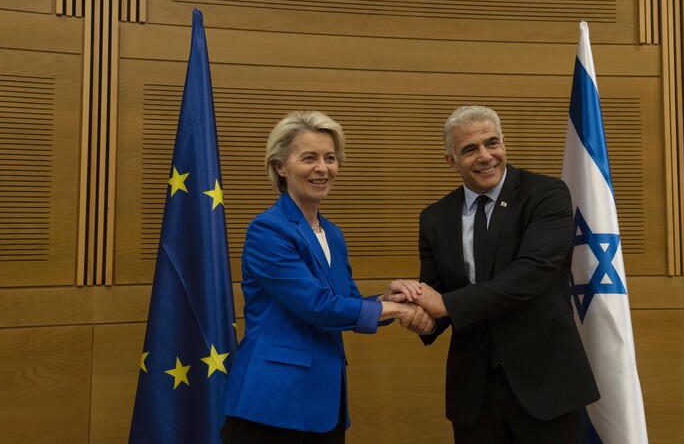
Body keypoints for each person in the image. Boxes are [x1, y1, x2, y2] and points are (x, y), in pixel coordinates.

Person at [221, 110, 432, 444]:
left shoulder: (332, 233)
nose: (322, 168)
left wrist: (389, 299)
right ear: (280, 167)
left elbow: (345, 302)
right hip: (273, 403)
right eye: (309, 158)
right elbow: (316, 306)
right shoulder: (268, 230)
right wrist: (402, 312)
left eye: (330, 158)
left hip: (323, 403)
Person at [403, 105, 599, 443]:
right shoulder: (434, 218)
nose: (485, 156)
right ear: (451, 161)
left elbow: (531, 276)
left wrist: (444, 305)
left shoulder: (546, 195)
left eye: (492, 143)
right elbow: (437, 297)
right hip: (474, 394)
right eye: (469, 149)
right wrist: (421, 316)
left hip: (545, 384)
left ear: (504, 143)